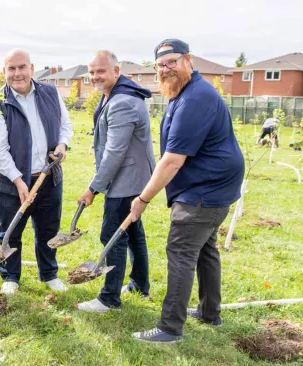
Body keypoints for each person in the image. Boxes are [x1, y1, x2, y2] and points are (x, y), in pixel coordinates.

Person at [130, 39, 245, 344]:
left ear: (188, 60)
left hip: (205, 190)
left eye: (172, 62)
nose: (166, 69)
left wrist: (142, 199)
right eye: (160, 65)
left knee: (180, 252)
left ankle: (170, 328)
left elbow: (172, 161)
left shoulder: (195, 98)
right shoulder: (185, 91)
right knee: (206, 248)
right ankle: (210, 312)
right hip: (216, 185)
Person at [0, 49, 73, 295]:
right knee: (10, 230)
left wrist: (63, 144)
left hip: (48, 176)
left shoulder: (50, 93)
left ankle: (49, 274)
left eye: (22, 67)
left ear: (32, 68)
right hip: (12, 181)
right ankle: (10, 276)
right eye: (11, 68)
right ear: (4, 72)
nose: (17, 73)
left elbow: (65, 125)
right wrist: (18, 181)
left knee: (48, 229)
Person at [75, 50, 155, 312]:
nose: (95, 76)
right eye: (92, 72)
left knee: (112, 234)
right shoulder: (116, 95)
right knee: (132, 232)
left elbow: (114, 152)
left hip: (127, 180)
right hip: (135, 177)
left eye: (101, 71)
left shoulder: (122, 102)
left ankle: (109, 298)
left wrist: (93, 189)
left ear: (116, 72)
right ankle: (139, 284)